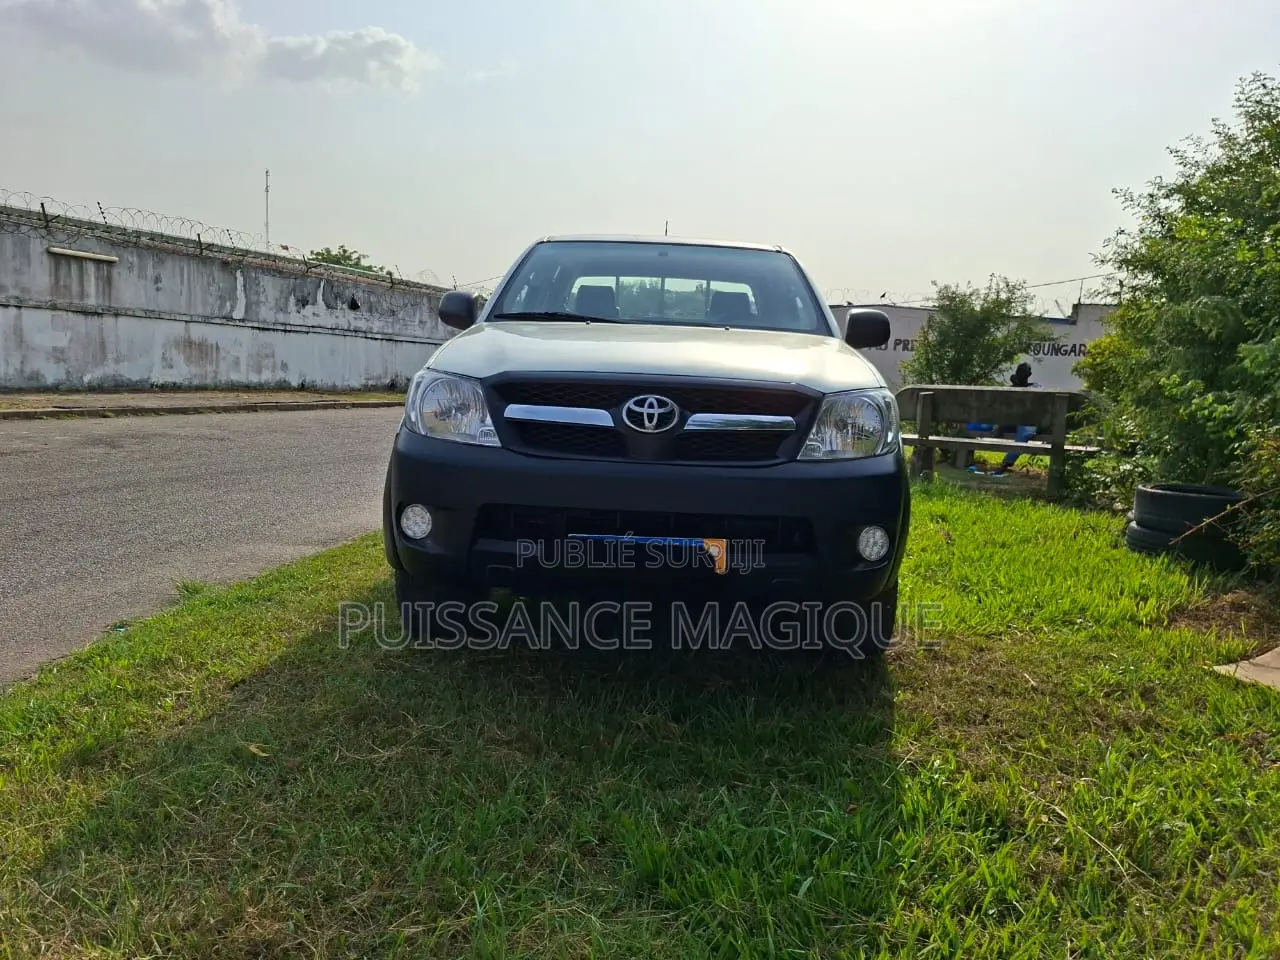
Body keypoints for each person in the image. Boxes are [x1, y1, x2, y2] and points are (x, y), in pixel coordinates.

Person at [968, 362, 1036, 477]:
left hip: (1026, 422)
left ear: (1029, 374)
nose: (1020, 374)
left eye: (1023, 372)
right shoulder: (1011, 389)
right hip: (1010, 422)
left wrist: (1019, 387)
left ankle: (1005, 465)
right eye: (1019, 372)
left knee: (1024, 434)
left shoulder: (1035, 387)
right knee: (979, 425)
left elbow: (1031, 403)